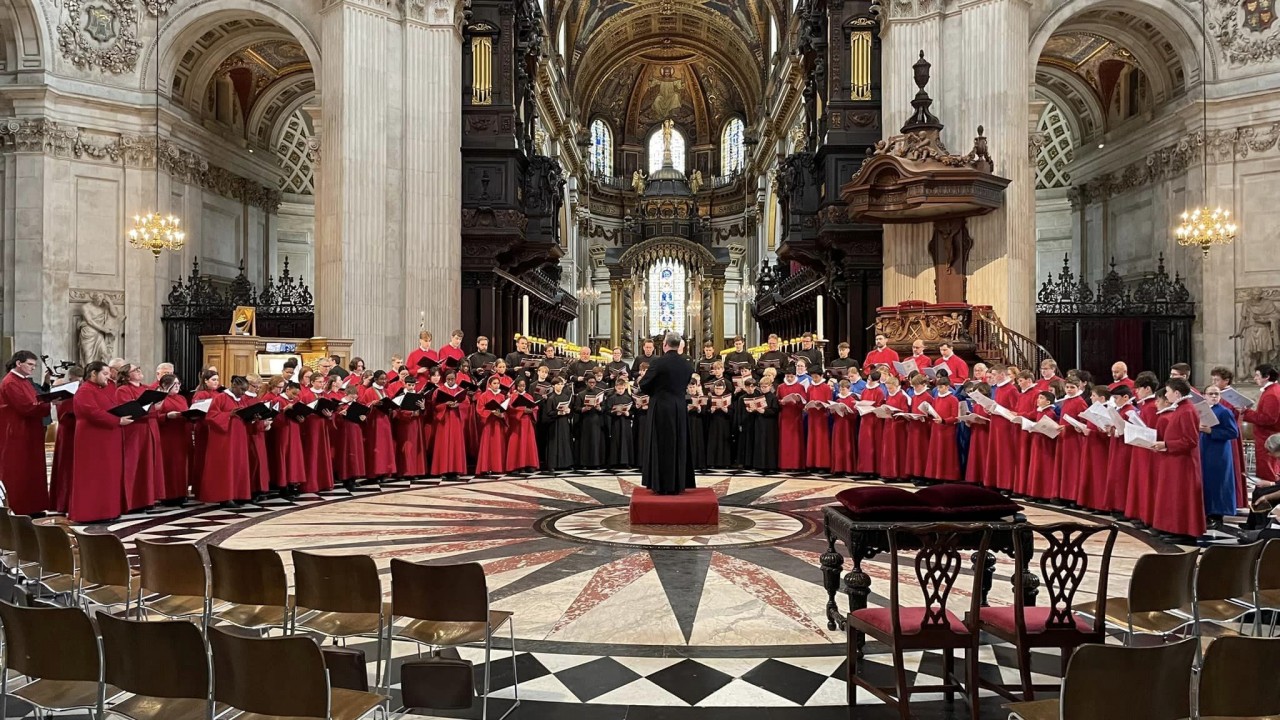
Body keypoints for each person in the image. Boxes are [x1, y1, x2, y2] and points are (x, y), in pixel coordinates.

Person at [638, 333, 696, 494]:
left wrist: (655, 391)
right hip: (679, 406)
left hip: (661, 407)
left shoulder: (658, 363)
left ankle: (660, 484)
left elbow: (644, 385)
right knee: (678, 443)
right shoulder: (687, 365)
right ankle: (678, 483)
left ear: (664, 345)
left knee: (660, 444)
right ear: (678, 346)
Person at [70, 362, 128, 522]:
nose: (108, 376)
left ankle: (108, 510)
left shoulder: (102, 390)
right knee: (93, 475)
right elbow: (92, 412)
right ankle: (91, 513)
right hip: (92, 439)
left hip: (108, 438)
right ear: (93, 374)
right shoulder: (84, 391)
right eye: (105, 373)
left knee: (109, 474)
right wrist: (117, 421)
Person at [1149, 378, 1206, 540]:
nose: (1166, 395)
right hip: (1175, 460)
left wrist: (1166, 444)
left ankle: (1184, 531)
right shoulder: (1181, 409)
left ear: (1177, 393)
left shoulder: (1187, 410)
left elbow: (1190, 441)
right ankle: (1173, 527)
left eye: (1167, 392)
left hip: (1183, 462)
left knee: (1181, 496)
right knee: (1173, 495)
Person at [0, 351, 54, 515]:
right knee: (19, 470)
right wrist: (48, 404)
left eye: (34, 365)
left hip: (30, 430)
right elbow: (26, 406)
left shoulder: (23, 381)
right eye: (30, 364)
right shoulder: (10, 382)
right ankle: (21, 508)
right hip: (17, 432)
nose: (33, 368)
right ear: (18, 363)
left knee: (32, 469)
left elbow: (34, 400)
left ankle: (33, 506)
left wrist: (47, 399)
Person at [116, 364, 164, 511]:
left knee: (148, 464)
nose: (139, 371)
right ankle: (134, 501)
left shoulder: (147, 388)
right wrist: (152, 408)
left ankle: (148, 499)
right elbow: (129, 410)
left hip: (149, 428)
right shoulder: (123, 390)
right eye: (135, 370)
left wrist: (158, 406)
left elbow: (154, 411)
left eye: (139, 368)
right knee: (135, 464)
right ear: (126, 376)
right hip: (134, 430)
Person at [200, 375, 252, 506]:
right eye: (242, 389)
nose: (243, 393)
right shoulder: (220, 398)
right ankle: (226, 496)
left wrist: (251, 417)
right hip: (224, 438)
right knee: (226, 467)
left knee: (239, 464)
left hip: (239, 437)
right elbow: (211, 417)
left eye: (245, 390)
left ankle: (239, 494)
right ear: (234, 386)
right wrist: (229, 414)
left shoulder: (241, 399)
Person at [1200, 385, 1239, 530]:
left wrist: (1211, 431)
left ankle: (1217, 515)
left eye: (1216, 394)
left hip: (1219, 452)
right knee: (1206, 481)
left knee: (1218, 482)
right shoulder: (1202, 410)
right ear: (1204, 395)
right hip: (1204, 449)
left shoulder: (1224, 411)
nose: (1214, 396)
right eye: (1211, 394)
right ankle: (1206, 512)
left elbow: (1233, 432)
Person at [49, 367, 84, 513]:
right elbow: (62, 414)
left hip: (78, 430)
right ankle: (64, 502)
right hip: (68, 430)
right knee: (66, 465)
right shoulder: (62, 390)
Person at [155, 373, 190, 505]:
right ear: (165, 386)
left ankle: (181, 493)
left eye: (178, 384)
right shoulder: (161, 399)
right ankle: (168, 495)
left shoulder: (181, 398)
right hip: (167, 435)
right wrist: (166, 416)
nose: (177, 386)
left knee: (181, 464)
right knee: (169, 464)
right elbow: (154, 416)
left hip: (181, 433)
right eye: (174, 384)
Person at [1243, 364, 1280, 485]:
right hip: (1268, 437)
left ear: (1267, 376)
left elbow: (1269, 419)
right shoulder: (1273, 390)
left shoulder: (1272, 394)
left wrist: (1246, 413)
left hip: (1267, 438)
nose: (1255, 378)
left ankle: (1267, 498)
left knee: (1268, 472)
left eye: (1257, 375)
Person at [923, 377, 961, 481]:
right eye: (938, 387)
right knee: (936, 452)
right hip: (936, 429)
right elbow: (934, 412)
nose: (939, 389)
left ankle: (947, 476)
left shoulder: (953, 399)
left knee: (946, 452)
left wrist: (943, 420)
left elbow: (954, 417)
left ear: (947, 387)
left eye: (941, 387)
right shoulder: (936, 399)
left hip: (947, 430)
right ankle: (935, 475)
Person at [430, 372, 468, 478]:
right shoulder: (439, 390)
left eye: (452, 379)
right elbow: (434, 405)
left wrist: (458, 405)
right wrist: (445, 405)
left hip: (456, 420)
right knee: (444, 444)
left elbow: (466, 404)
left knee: (456, 444)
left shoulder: (460, 390)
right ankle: (443, 470)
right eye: (448, 379)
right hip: (444, 421)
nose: (450, 381)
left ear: (456, 378)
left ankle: (456, 469)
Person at [475, 376, 508, 476]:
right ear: (489, 384)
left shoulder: (502, 396)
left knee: (497, 445)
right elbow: (479, 409)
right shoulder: (484, 395)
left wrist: (502, 415)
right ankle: (485, 467)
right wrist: (491, 412)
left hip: (498, 424)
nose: (496, 385)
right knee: (487, 445)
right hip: (488, 424)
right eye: (494, 383)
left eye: (498, 383)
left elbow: (505, 410)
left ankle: (497, 467)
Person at [541, 375, 575, 471]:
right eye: (558, 384)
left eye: (561, 384)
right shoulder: (551, 398)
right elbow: (548, 413)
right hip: (554, 423)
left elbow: (571, 410)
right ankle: (553, 464)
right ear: (553, 386)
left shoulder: (566, 397)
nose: (560, 386)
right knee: (554, 443)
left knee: (565, 441)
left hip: (564, 422)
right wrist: (558, 413)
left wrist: (568, 411)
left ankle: (566, 463)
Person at [855, 371, 886, 476]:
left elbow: (880, 406)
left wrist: (872, 408)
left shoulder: (879, 391)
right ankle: (864, 468)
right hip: (865, 419)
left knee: (873, 444)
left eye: (869, 379)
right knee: (864, 444)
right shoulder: (865, 390)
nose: (868, 381)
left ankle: (874, 470)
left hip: (874, 420)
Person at [776, 369, 808, 471]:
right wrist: (781, 402)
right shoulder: (781, 387)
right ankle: (784, 465)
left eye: (791, 377)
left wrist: (798, 401)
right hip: (785, 417)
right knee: (785, 441)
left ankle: (796, 465)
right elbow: (777, 400)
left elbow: (804, 402)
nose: (789, 379)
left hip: (795, 417)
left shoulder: (800, 387)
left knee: (795, 441)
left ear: (795, 376)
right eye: (788, 376)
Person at [506, 378, 540, 473]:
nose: (522, 387)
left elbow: (535, 407)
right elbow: (510, 409)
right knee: (517, 443)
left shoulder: (528, 396)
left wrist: (531, 410)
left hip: (527, 422)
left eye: (524, 385)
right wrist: (522, 411)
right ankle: (516, 465)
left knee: (528, 443)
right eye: (520, 385)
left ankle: (529, 464)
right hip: (517, 423)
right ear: (516, 386)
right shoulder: (513, 396)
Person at [575, 374, 608, 469]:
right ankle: (585, 463)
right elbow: (576, 408)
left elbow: (605, 407)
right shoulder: (581, 394)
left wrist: (599, 408)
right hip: (585, 421)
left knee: (596, 442)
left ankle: (597, 463)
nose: (592, 384)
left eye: (594, 383)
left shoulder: (600, 394)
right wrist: (584, 409)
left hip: (597, 420)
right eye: (590, 383)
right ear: (586, 383)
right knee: (585, 443)